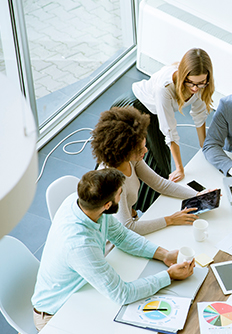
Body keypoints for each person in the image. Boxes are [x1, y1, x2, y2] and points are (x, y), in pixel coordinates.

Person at [32, 168, 194, 331]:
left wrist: (164, 254)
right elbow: (123, 294)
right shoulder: (80, 245)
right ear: (108, 204)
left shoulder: (82, 202)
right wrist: (169, 276)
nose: (122, 194)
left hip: (83, 291)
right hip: (56, 315)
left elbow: (121, 236)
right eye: (120, 192)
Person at [112, 48, 215, 211]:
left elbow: (200, 115)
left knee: (157, 164)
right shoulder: (165, 87)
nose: (196, 88)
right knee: (154, 165)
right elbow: (169, 131)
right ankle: (137, 208)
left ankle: (143, 205)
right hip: (135, 108)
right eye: (192, 83)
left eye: (202, 83)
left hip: (151, 113)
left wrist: (205, 148)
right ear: (183, 76)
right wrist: (180, 168)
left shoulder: (201, 84)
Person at [91, 107, 200, 240]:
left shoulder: (130, 160)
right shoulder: (111, 181)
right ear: (122, 150)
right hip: (109, 237)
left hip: (129, 222)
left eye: (144, 144)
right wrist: (171, 219)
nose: (146, 150)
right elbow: (128, 227)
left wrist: (198, 195)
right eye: (139, 149)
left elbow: (160, 184)